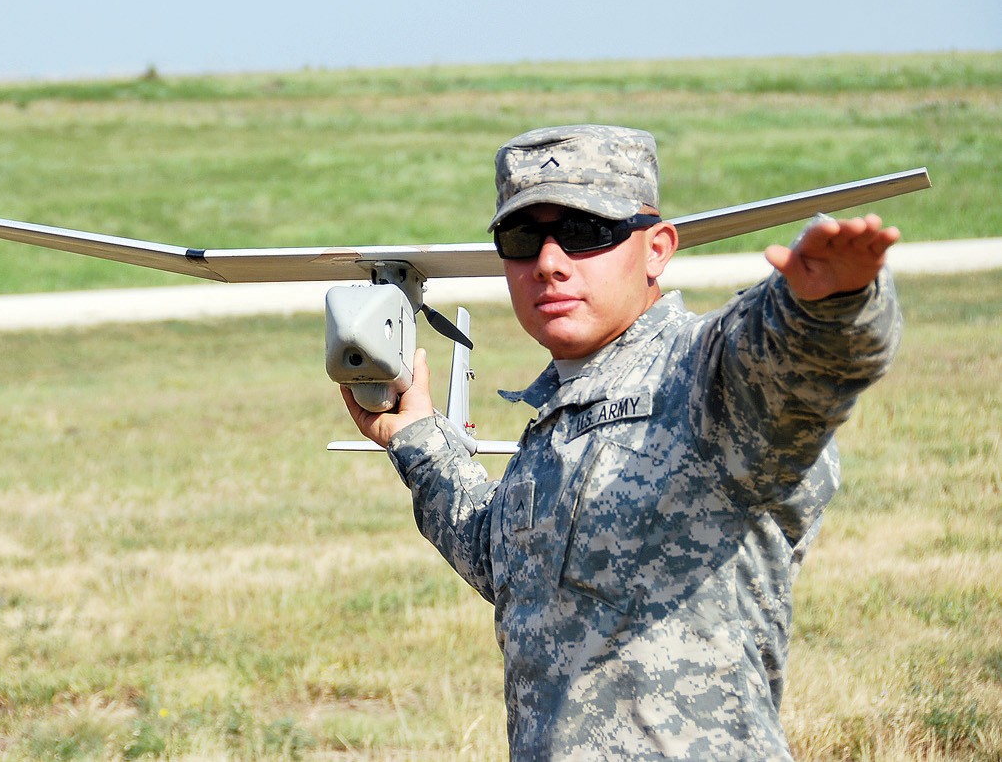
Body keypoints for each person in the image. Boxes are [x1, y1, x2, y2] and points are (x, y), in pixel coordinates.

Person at [341, 125, 902, 760]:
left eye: (586, 234)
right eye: (523, 239)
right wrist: (415, 438)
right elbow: (510, 566)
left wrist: (832, 305)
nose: (550, 263)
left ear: (657, 248)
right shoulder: (562, 407)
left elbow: (799, 357)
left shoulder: (706, 374)